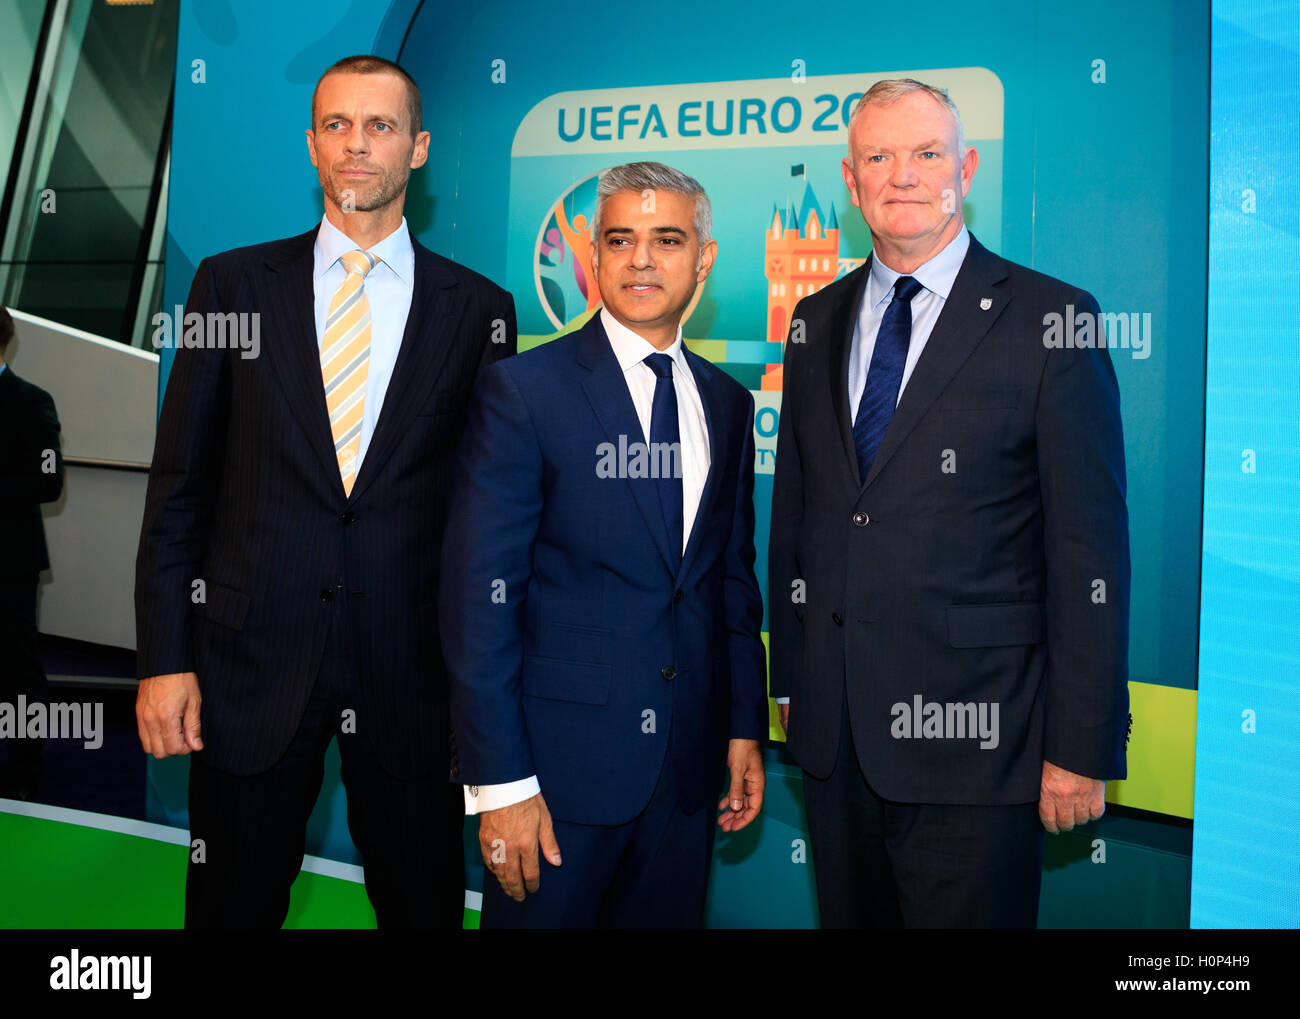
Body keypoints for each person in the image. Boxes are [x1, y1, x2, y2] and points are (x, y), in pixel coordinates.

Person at [134, 55, 516, 928]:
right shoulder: (230, 286)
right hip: (247, 670)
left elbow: (489, 520)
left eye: (380, 126)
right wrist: (163, 656)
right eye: (337, 125)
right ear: (311, 144)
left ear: (418, 148)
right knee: (232, 905)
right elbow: (179, 487)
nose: (356, 145)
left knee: (421, 907)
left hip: (414, 679)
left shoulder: (480, 311)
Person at [768, 79, 1130, 928]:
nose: (903, 175)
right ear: (850, 182)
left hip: (982, 747)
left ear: (964, 169)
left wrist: (1079, 745)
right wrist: (793, 684)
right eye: (878, 157)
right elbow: (800, 519)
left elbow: (1090, 554)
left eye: (926, 153)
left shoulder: (1054, 318)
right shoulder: (814, 319)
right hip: (836, 742)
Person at [439, 161, 767, 928]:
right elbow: (479, 603)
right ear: (593, 258)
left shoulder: (727, 402)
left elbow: (729, 582)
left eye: (667, 239)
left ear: (704, 259)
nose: (642, 259)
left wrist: (743, 723)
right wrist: (503, 786)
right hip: (555, 784)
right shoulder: (524, 390)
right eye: (620, 240)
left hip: (686, 776)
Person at [0, 306, 64, 801]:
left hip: (7, 563)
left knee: (16, 669)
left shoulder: (32, 402)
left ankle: (22, 774)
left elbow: (48, 481)